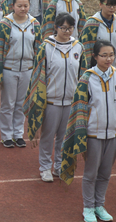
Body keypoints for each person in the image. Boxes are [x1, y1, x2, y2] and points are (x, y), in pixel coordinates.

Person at [0, 0, 41, 148]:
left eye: (26, 5)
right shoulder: (5, 24)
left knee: (21, 103)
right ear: (12, 6)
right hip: (9, 68)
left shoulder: (34, 24)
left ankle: (18, 134)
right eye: (19, 6)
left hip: (27, 68)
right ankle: (6, 135)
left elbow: (38, 48)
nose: (23, 8)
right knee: (8, 104)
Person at [61, 40, 116, 222]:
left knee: (105, 173)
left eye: (111, 55)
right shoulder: (87, 78)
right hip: (93, 134)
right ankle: (88, 208)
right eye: (104, 55)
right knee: (91, 173)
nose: (108, 59)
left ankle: (99, 205)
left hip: (112, 134)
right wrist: (81, 135)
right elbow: (79, 108)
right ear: (95, 57)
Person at [24, 13, 83, 183]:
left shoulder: (78, 47)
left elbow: (82, 73)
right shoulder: (46, 47)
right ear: (56, 27)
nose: (67, 31)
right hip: (51, 101)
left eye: (70, 28)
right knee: (48, 136)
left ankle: (59, 165)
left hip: (70, 101)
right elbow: (37, 74)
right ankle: (45, 167)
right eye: (63, 28)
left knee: (64, 137)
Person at [80, 0, 116, 69]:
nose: (112, 8)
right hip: (97, 69)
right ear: (100, 4)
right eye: (108, 5)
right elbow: (86, 48)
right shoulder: (91, 24)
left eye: (114, 5)